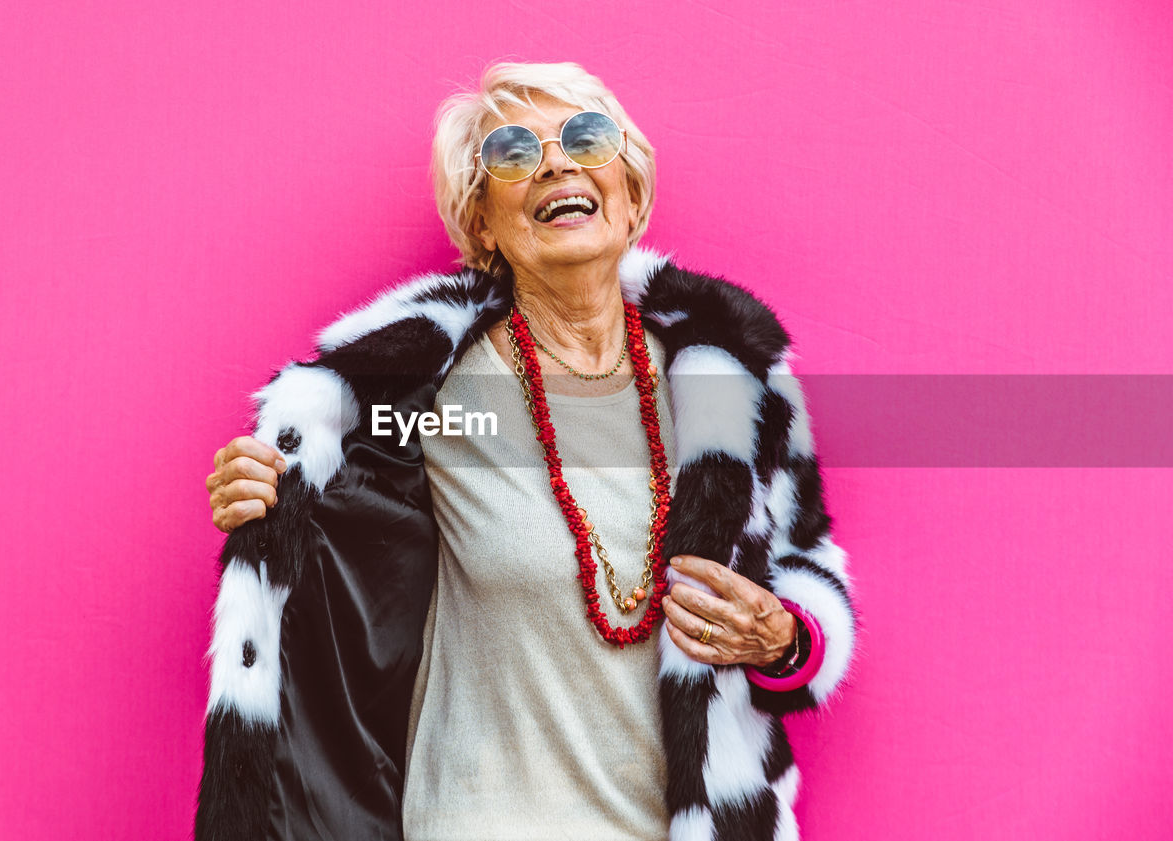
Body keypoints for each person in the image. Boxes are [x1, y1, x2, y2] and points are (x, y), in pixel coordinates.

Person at [196, 62, 856, 841]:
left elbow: (807, 570)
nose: (555, 161)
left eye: (585, 137)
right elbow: (353, 476)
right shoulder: (450, 404)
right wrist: (270, 485)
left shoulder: (729, 392)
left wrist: (783, 636)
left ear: (631, 194)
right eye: (514, 151)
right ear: (482, 223)